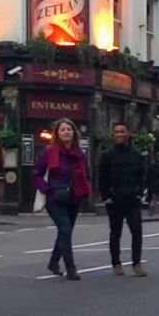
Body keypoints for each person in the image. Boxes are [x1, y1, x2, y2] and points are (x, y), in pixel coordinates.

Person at [32, 118, 92, 281]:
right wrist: (47, 190)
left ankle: (53, 262)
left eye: (69, 129)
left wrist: (86, 189)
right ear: (57, 133)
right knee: (65, 229)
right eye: (63, 129)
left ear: (74, 133)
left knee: (65, 232)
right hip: (55, 199)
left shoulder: (79, 153)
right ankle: (71, 268)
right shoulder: (49, 152)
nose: (66, 132)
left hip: (74, 196)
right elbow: (36, 174)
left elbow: (86, 173)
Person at [99, 122, 148, 277]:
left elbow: (142, 176)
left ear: (128, 133)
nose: (119, 135)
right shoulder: (108, 155)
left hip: (132, 199)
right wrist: (106, 196)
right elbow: (102, 177)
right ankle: (116, 263)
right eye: (116, 132)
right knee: (115, 232)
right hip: (115, 200)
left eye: (122, 132)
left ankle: (136, 263)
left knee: (137, 232)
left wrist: (140, 192)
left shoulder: (137, 155)